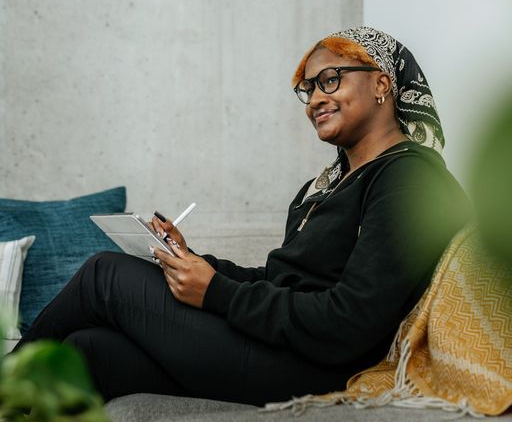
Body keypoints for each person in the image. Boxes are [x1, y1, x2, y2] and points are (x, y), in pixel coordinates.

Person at [14, 27, 471, 406]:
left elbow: (347, 322)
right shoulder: (323, 189)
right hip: (279, 344)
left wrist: (216, 293)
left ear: (381, 84)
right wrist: (193, 261)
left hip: (311, 367)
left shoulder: (409, 179)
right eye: (307, 88)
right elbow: (279, 280)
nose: (314, 99)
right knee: (88, 351)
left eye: (330, 79)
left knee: (103, 275)